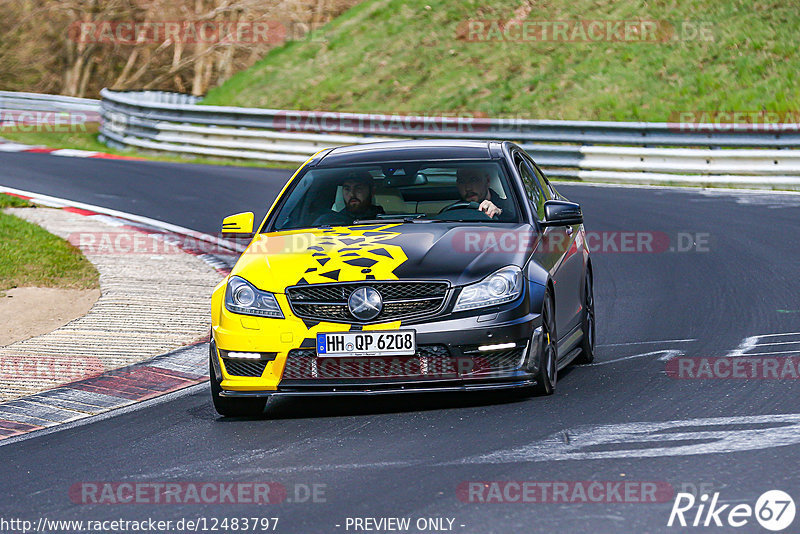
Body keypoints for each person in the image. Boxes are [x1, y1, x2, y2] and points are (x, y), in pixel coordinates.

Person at [314, 171, 385, 225]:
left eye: (358, 188)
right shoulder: (327, 222)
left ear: (372, 191)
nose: (352, 194)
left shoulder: (386, 220)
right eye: (347, 189)